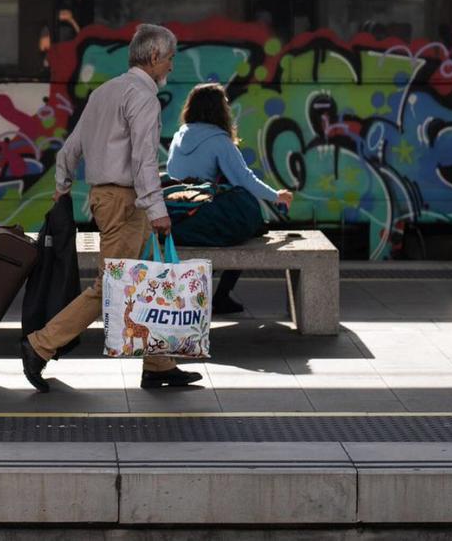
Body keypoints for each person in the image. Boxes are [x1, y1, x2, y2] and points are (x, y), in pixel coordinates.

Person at [20, 23, 204, 392]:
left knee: (148, 282)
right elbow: (143, 161)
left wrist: (62, 187)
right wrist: (157, 210)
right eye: (170, 58)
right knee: (111, 287)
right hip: (126, 203)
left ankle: (157, 364)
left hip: (108, 199)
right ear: (154, 56)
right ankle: (39, 345)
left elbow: (70, 148)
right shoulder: (143, 97)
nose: (171, 66)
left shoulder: (105, 92)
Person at [166, 82, 295, 313]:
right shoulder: (219, 141)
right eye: (225, 103)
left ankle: (197, 292)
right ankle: (222, 295)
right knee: (247, 226)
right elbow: (244, 179)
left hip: (176, 219)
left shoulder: (178, 137)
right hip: (203, 219)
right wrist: (277, 195)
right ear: (218, 110)